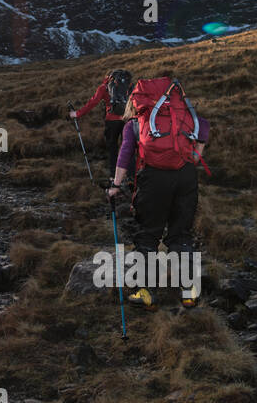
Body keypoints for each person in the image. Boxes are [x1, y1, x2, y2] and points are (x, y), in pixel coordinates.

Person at [107, 70, 209, 309]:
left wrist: (115, 185)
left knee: (148, 233)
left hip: (154, 179)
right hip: (185, 176)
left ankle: (144, 291)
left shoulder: (134, 124)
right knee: (181, 233)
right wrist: (187, 158)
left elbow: (124, 156)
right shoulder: (189, 117)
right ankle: (189, 292)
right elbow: (198, 145)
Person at [69, 69, 132, 174]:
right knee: (128, 148)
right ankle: (131, 177)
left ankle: (113, 176)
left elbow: (92, 102)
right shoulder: (127, 85)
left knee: (113, 149)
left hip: (111, 121)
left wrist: (77, 113)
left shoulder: (104, 88)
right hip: (127, 120)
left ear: (108, 77)